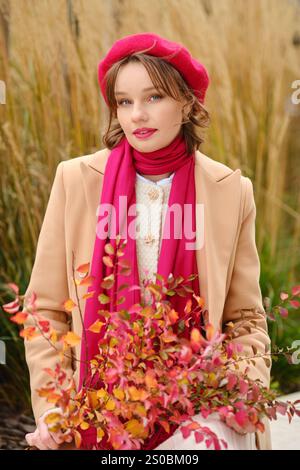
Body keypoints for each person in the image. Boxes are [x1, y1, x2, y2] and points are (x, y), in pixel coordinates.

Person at [24, 32, 271, 450]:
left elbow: (245, 316)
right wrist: (53, 404)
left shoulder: (230, 190)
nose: (137, 114)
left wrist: (244, 388)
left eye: (154, 97)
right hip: (97, 404)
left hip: (198, 400)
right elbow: (44, 309)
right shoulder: (76, 180)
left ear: (188, 102)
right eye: (124, 101)